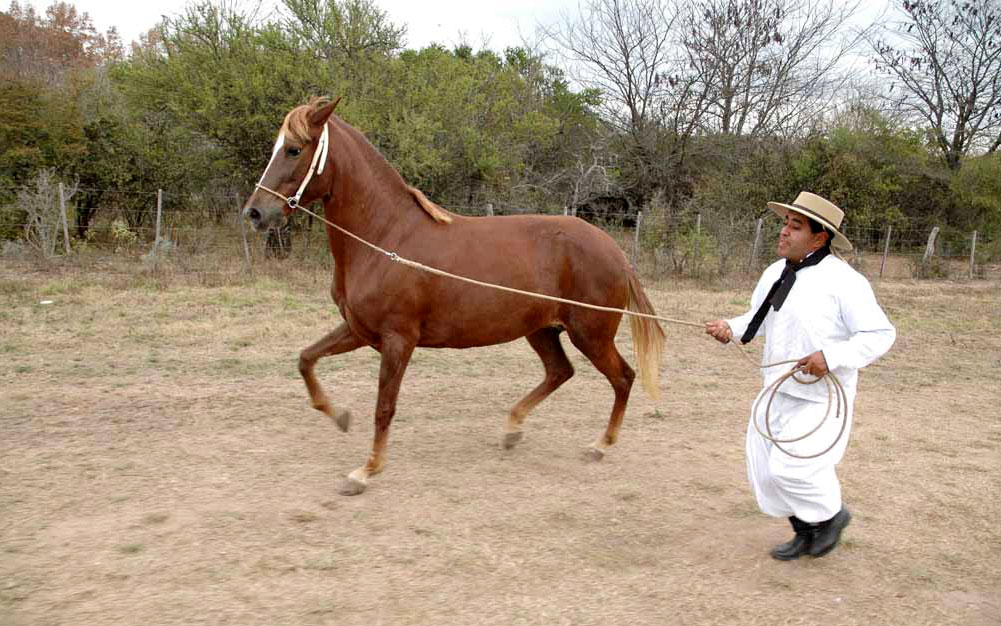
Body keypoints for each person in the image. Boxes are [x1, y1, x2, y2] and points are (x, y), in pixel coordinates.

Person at [705, 192, 895, 560]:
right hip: (775, 389)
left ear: (820, 237)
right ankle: (804, 532)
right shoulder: (775, 272)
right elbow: (757, 319)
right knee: (766, 471)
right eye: (784, 224)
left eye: (795, 226)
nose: (784, 232)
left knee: (793, 467)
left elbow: (880, 334)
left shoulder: (845, 281)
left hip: (820, 398)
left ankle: (833, 516)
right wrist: (730, 327)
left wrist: (830, 355)